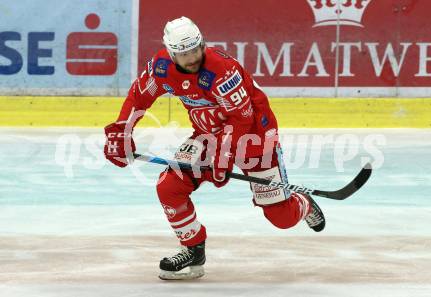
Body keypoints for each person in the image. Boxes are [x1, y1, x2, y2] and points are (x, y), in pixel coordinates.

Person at [104, 16, 325, 280]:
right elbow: (138, 96)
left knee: (281, 217)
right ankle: (193, 248)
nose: (192, 57)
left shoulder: (222, 70)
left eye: (196, 49)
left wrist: (224, 156)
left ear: (202, 43)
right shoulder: (161, 68)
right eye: (184, 53)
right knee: (169, 186)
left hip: (254, 137)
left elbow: (242, 118)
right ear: (172, 53)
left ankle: (304, 204)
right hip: (207, 135)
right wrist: (121, 130)